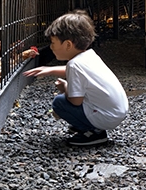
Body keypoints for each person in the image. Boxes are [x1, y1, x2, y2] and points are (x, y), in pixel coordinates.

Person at [24, 10, 128, 146]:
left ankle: (94, 133)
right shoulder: (88, 56)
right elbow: (78, 73)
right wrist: (49, 70)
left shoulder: (74, 65)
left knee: (60, 102)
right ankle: (87, 123)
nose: (51, 47)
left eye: (53, 43)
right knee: (67, 100)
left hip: (106, 117)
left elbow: (75, 101)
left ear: (67, 45)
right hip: (117, 111)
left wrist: (65, 87)